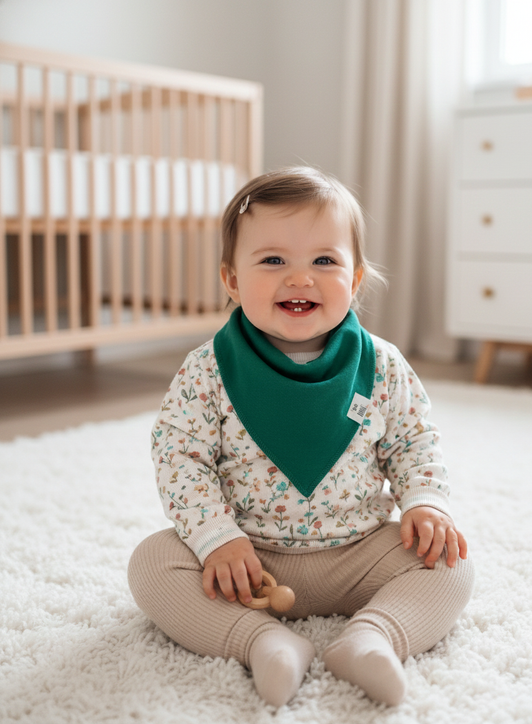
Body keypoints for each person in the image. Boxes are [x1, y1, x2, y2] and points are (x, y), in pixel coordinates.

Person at [128, 167, 474, 708]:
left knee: (451, 561)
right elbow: (181, 458)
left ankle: (373, 636)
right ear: (232, 280)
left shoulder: (382, 364)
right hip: (248, 561)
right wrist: (217, 538)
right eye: (272, 261)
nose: (300, 278)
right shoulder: (208, 370)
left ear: (355, 280)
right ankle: (261, 640)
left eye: (324, 261)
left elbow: (414, 441)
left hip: (359, 551)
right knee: (151, 563)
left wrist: (425, 502)